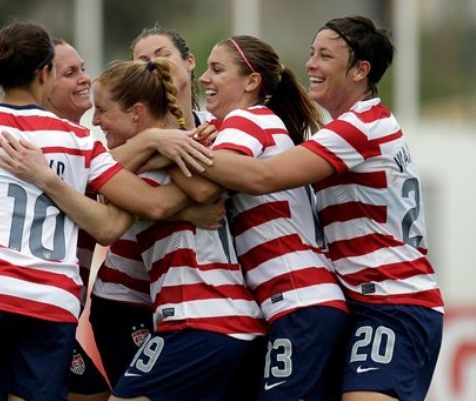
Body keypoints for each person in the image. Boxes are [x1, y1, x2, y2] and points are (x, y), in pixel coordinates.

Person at [0, 19, 205, 401]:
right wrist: (191, 196)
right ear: (45, 74)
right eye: (69, 71)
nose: (83, 80)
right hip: (52, 303)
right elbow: (136, 209)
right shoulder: (79, 143)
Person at [184, 16, 444, 401]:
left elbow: (263, 177)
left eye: (325, 56)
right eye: (311, 53)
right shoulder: (351, 127)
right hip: (360, 300)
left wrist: (176, 149)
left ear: (360, 70)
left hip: (393, 300)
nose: (310, 64)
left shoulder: (359, 127)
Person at [0, 57, 266, 401]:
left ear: (136, 111)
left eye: (103, 110)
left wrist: (49, 179)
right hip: (222, 321)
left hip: (201, 320)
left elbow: (129, 212)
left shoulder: (159, 163)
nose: (96, 120)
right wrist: (153, 144)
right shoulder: (184, 149)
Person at [166, 34, 349, 401]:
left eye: (217, 70)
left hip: (300, 301)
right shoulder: (258, 121)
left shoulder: (245, 120)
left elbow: (205, 188)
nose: (204, 78)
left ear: (252, 82)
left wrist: (160, 145)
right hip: (306, 303)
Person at [88, 25, 220, 389]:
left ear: (190, 63)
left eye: (161, 55)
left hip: (189, 303)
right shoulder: (127, 133)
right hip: (126, 297)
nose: (152, 66)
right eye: (142, 61)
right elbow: (99, 179)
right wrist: (153, 141)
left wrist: (167, 150)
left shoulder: (215, 127)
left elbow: (214, 187)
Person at [0, 38, 111, 401]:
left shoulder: (84, 145)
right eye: (70, 73)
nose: (86, 79)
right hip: (29, 306)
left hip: (53, 309)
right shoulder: (36, 148)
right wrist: (154, 141)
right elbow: (110, 222)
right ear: (43, 82)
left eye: (84, 68)